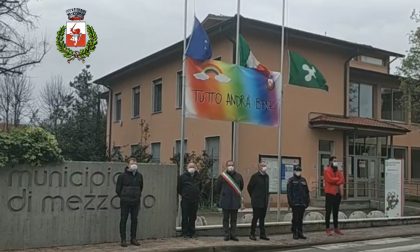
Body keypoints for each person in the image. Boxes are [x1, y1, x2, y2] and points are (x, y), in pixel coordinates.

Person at [116, 157, 143, 247]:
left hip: (135, 202)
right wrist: (124, 196)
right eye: (132, 163)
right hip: (125, 202)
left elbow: (141, 187)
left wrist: (137, 196)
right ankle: (123, 240)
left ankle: (133, 239)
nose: (134, 164)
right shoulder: (122, 176)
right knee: (123, 220)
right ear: (128, 165)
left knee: (134, 220)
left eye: (135, 162)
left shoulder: (139, 176)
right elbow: (118, 190)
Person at [216, 160, 244, 241]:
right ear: (226, 166)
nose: (230, 167)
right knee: (225, 219)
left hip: (235, 201)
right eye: (229, 165)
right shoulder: (222, 177)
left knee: (234, 219)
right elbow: (217, 188)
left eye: (232, 165)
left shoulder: (239, 176)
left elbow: (241, 187)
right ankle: (226, 234)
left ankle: (233, 235)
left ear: (234, 166)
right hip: (225, 201)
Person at [177, 162, 201, 238]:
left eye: (193, 167)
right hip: (186, 200)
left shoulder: (198, 177)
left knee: (193, 217)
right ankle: (184, 233)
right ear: (187, 168)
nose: (192, 168)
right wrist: (184, 195)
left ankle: (192, 232)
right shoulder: (182, 177)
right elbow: (179, 188)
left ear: (196, 168)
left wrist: (197, 194)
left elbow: (200, 187)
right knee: (185, 216)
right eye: (190, 167)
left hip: (195, 200)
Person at [247, 161, 270, 241]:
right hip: (257, 202)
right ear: (259, 167)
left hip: (264, 201)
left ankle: (262, 234)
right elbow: (249, 187)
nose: (264, 167)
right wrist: (253, 196)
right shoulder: (255, 176)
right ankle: (252, 234)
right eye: (262, 165)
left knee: (262, 219)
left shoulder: (267, 176)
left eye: (265, 165)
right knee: (255, 218)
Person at [287, 165, 310, 240]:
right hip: (295, 203)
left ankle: (300, 232)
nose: (298, 172)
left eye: (299, 170)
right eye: (297, 170)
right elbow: (289, 192)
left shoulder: (303, 180)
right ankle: (295, 232)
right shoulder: (291, 180)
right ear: (294, 171)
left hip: (302, 203)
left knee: (300, 219)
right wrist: (290, 202)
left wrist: (307, 201)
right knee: (295, 219)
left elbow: (306, 191)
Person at [324, 156, 345, 236]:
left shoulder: (338, 170)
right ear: (330, 162)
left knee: (336, 212)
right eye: (334, 161)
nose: (335, 162)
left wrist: (336, 179)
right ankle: (327, 228)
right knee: (328, 211)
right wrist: (337, 179)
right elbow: (329, 180)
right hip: (329, 193)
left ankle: (336, 228)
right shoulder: (327, 170)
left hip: (337, 194)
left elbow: (342, 179)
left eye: (336, 161)